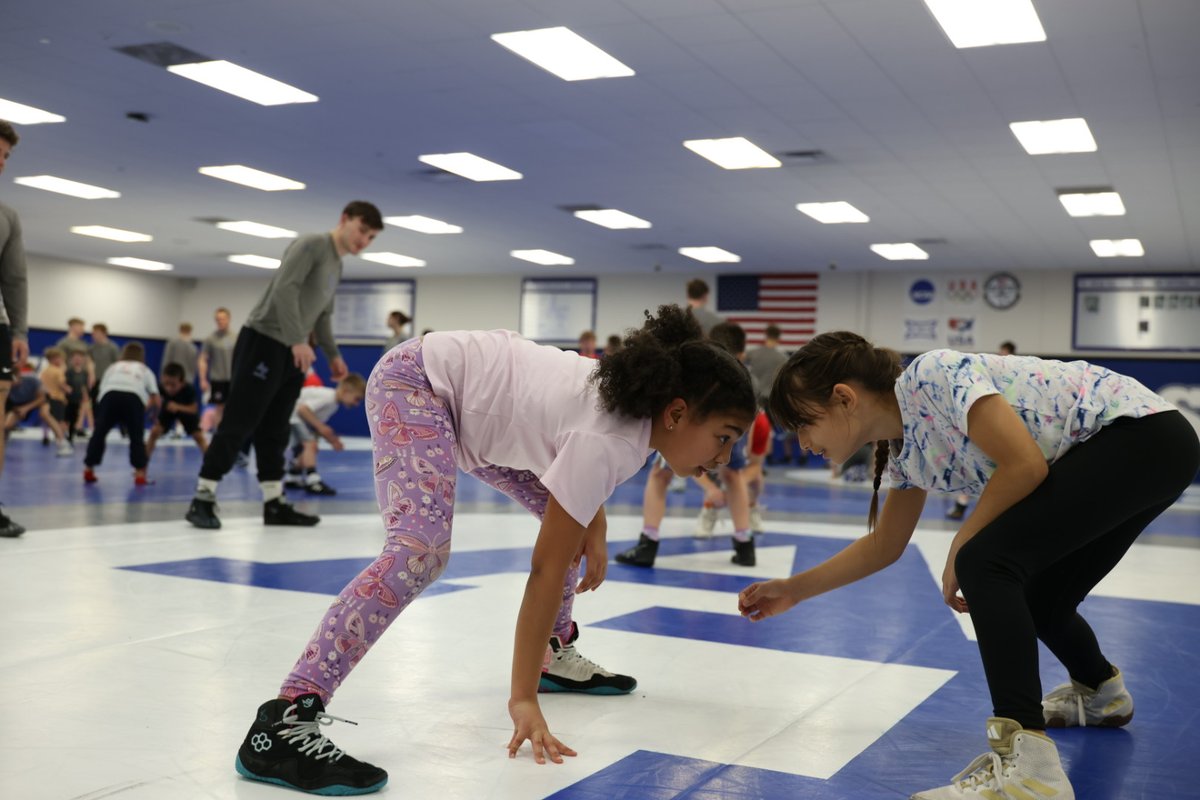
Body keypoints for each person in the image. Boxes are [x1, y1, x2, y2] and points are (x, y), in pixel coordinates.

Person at [233, 305, 756, 796]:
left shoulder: (635, 421)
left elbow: (576, 456)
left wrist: (591, 524)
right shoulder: (616, 438)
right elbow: (545, 571)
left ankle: (552, 654)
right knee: (421, 550)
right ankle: (285, 717)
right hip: (419, 384)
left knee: (567, 538)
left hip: (476, 415)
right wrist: (521, 698)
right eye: (724, 437)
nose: (726, 456)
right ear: (678, 412)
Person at [739, 332, 1199, 800]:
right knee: (1039, 596)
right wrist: (794, 589)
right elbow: (884, 546)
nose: (800, 442)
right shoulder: (905, 452)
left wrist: (963, 542)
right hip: (1155, 449)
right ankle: (1101, 694)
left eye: (804, 423)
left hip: (1140, 434)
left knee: (985, 561)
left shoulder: (929, 376)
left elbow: (1024, 465)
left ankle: (1030, 771)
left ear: (843, 398)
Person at [186, 202, 383, 530]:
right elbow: (284, 290)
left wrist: (333, 355)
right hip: (265, 340)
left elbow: (321, 314)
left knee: (276, 427)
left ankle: (273, 501)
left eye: (372, 237)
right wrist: (296, 340)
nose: (365, 240)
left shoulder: (337, 265)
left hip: (294, 350)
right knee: (240, 420)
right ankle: (203, 497)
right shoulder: (312, 245)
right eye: (363, 230)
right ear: (344, 219)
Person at [616, 321, 761, 568]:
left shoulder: (708, 379)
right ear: (742, 354)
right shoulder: (749, 381)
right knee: (733, 476)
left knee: (659, 475)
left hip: (702, 425)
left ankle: (647, 543)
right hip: (733, 430)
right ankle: (744, 543)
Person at [948, 340, 1019, 521]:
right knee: (977, 467)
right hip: (990, 425)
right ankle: (961, 506)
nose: (1001, 354)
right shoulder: (991, 371)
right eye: (1000, 351)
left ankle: (991, 513)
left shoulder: (1014, 372)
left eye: (1004, 352)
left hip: (1007, 425)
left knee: (999, 472)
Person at [0, 120, 29, 537]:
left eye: (6, 157)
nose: (1, 162)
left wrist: (20, 331)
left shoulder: (7, 216)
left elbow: (15, 279)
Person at [83, 342, 160, 486]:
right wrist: (153, 414)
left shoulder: (113, 367)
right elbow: (155, 396)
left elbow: (101, 392)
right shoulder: (144, 369)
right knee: (136, 436)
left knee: (99, 434)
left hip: (109, 396)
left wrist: (101, 414)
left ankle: (88, 469)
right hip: (133, 398)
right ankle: (139, 474)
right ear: (141, 356)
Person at [282, 373, 366, 496]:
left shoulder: (333, 405)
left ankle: (293, 476)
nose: (357, 404)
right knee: (310, 444)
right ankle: (313, 481)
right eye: (357, 398)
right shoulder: (328, 397)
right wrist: (321, 429)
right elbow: (303, 409)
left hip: (293, 416)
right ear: (346, 391)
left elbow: (317, 426)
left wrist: (332, 440)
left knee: (310, 446)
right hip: (292, 414)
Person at [145, 362, 207, 463]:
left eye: (173, 385)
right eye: (166, 384)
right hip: (167, 412)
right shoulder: (160, 388)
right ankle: (142, 465)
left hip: (186, 412)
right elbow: (152, 400)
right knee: (154, 432)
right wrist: (144, 409)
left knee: (199, 437)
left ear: (182, 383)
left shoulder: (189, 390)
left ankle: (211, 465)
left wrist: (178, 407)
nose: (169, 388)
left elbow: (193, 409)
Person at [198, 308, 235, 428]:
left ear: (228, 319)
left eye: (223, 319)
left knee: (233, 408)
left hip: (233, 379)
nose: (220, 321)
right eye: (218, 319)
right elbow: (203, 359)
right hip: (218, 379)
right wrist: (203, 379)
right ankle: (218, 435)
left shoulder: (236, 337)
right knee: (219, 407)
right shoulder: (210, 339)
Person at [38, 347, 75, 456]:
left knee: (49, 420)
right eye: (61, 359)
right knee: (59, 423)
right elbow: (61, 384)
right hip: (57, 399)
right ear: (55, 359)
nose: (62, 361)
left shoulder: (45, 371)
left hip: (46, 398)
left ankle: (53, 439)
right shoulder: (58, 371)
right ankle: (62, 443)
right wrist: (69, 389)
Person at [161, 322, 199, 386]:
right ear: (190, 332)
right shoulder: (194, 348)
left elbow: (166, 360)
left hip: (172, 378)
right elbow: (194, 367)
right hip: (187, 379)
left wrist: (163, 376)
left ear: (180, 330)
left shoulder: (171, 343)